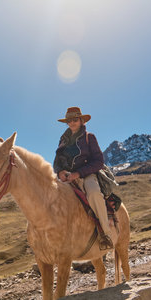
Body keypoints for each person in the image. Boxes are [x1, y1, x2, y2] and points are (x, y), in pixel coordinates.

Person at [53, 107, 113, 250]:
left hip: (86, 175)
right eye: (69, 120)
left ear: (81, 121)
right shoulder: (63, 139)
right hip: (66, 177)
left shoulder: (89, 137)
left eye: (75, 119)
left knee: (93, 194)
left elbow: (98, 161)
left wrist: (78, 174)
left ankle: (105, 234)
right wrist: (60, 171)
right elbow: (57, 160)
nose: (72, 122)